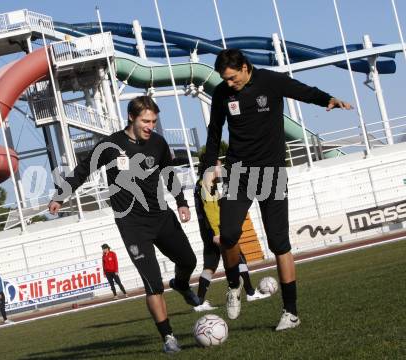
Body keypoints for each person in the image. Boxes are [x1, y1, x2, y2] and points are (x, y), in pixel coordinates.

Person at [202, 49, 353, 329]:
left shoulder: (271, 81)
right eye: (226, 80)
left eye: (233, 78)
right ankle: (234, 285)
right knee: (229, 236)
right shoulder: (222, 93)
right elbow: (214, 132)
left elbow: (302, 90)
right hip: (239, 173)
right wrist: (209, 167)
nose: (229, 84)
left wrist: (327, 99)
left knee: (279, 244)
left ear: (245, 68)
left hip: (272, 173)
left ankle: (291, 312)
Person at [49, 96, 199, 354]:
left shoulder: (159, 143)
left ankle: (183, 284)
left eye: (153, 121)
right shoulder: (109, 146)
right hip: (132, 224)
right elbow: (83, 170)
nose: (150, 126)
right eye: (145, 121)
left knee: (189, 261)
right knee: (154, 284)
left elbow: (168, 174)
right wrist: (61, 195)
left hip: (161, 217)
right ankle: (168, 338)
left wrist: (182, 202)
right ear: (131, 117)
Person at [194, 157, 269, 312]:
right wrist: (217, 232)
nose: (220, 170)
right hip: (214, 230)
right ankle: (250, 292)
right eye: (219, 167)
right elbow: (210, 209)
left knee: (210, 265)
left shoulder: (201, 184)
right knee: (239, 256)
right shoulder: (206, 184)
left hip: (206, 230)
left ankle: (199, 302)